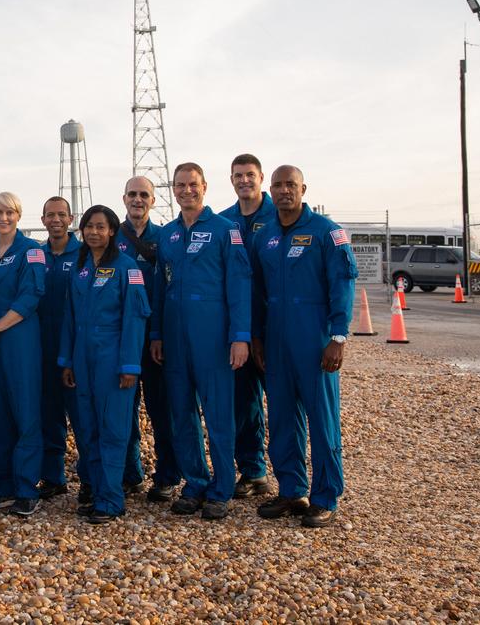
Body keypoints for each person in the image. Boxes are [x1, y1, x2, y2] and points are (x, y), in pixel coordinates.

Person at [250, 166, 356, 528]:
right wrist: (258, 337)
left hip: (315, 339)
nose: (283, 191)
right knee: (281, 420)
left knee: (322, 422)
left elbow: (342, 285)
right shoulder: (265, 237)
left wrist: (337, 338)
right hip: (276, 339)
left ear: (302, 188)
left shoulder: (327, 232)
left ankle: (326, 496)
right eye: (277, 185)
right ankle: (292, 490)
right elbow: (257, 294)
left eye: (289, 185)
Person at [150, 163, 251, 521]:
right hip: (176, 338)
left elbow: (240, 287)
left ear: (204, 187)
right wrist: (157, 334)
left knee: (219, 414)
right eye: (180, 185)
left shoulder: (227, 231)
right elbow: (161, 288)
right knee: (182, 415)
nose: (186, 191)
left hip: (213, 337)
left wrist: (240, 337)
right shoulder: (168, 235)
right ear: (173, 190)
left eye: (193, 184)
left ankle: (221, 488)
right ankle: (195, 482)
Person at [58, 206, 151, 523]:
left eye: (101, 226)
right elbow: (69, 318)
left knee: (112, 429)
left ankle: (112, 501)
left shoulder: (126, 268)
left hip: (113, 358)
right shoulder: (80, 268)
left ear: (112, 231)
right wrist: (67, 359)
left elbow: (135, 318)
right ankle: (98, 492)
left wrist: (129, 365)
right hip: (83, 358)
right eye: (89, 227)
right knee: (88, 428)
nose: (94, 232)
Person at [0, 192, 46, 516]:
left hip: (19, 341)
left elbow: (31, 297)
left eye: (10, 212)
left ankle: (27, 487)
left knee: (25, 412)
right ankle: (1, 482)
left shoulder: (31, 251)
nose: (3, 217)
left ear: (18, 215)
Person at [117, 176, 182, 503]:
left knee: (161, 409)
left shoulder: (167, 237)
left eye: (144, 195)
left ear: (153, 200)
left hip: (156, 340)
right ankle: (130, 474)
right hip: (121, 339)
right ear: (124, 198)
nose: (138, 200)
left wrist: (159, 334)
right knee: (123, 410)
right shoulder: (111, 237)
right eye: (132, 194)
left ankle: (168, 475)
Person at [219, 153, 276, 499]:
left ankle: (292, 479)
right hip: (238, 328)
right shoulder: (224, 222)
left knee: (282, 405)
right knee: (243, 404)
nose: (244, 181)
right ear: (231, 180)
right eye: (238, 176)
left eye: (249, 175)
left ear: (261, 178)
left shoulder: (280, 217)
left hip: (274, 327)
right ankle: (253, 470)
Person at [35, 196, 87, 502]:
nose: (55, 219)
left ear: (70, 219)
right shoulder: (36, 255)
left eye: (61, 215)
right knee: (48, 415)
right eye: (49, 215)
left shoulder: (83, 254)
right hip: (43, 348)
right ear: (42, 220)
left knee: (82, 416)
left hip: (76, 348)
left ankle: (90, 479)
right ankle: (53, 477)